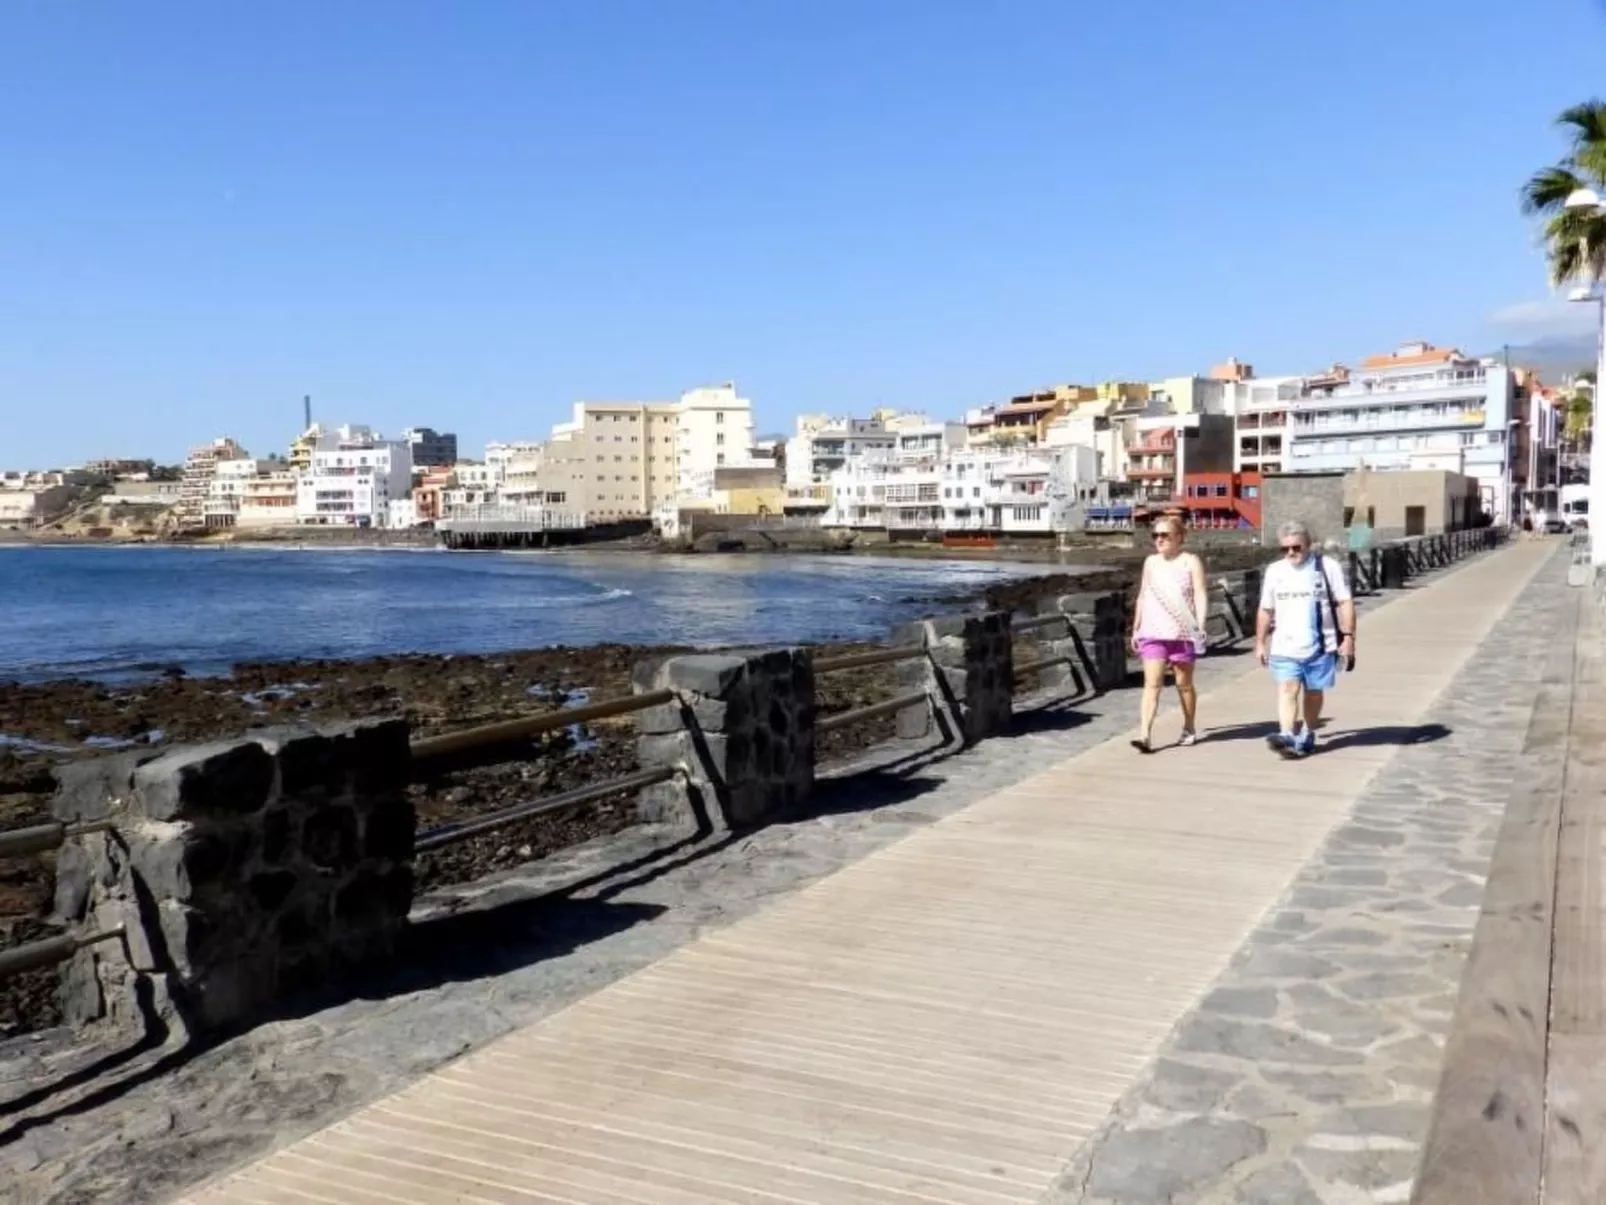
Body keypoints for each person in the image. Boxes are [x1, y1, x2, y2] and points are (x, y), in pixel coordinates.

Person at [1255, 519, 1356, 758]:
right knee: (1288, 688)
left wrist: (1349, 637)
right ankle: (1288, 735)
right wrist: (1260, 642)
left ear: (1308, 545)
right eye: (1285, 548)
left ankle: (1309, 733)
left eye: (1296, 547)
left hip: (1321, 645)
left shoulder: (1327, 567)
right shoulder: (1275, 571)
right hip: (1284, 645)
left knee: (1313, 692)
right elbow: (1265, 609)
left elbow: (1344, 602)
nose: (1291, 552)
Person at [1128, 515, 1209, 753]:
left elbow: (1200, 594)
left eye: (1165, 535)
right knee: (1151, 685)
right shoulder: (1151, 563)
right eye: (1156, 535)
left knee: (1184, 685)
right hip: (1153, 632)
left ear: (1179, 537)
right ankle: (1145, 735)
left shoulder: (1190, 562)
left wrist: (1199, 626)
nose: (1159, 540)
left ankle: (1189, 726)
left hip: (1182, 633)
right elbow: (1143, 595)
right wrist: (1136, 627)